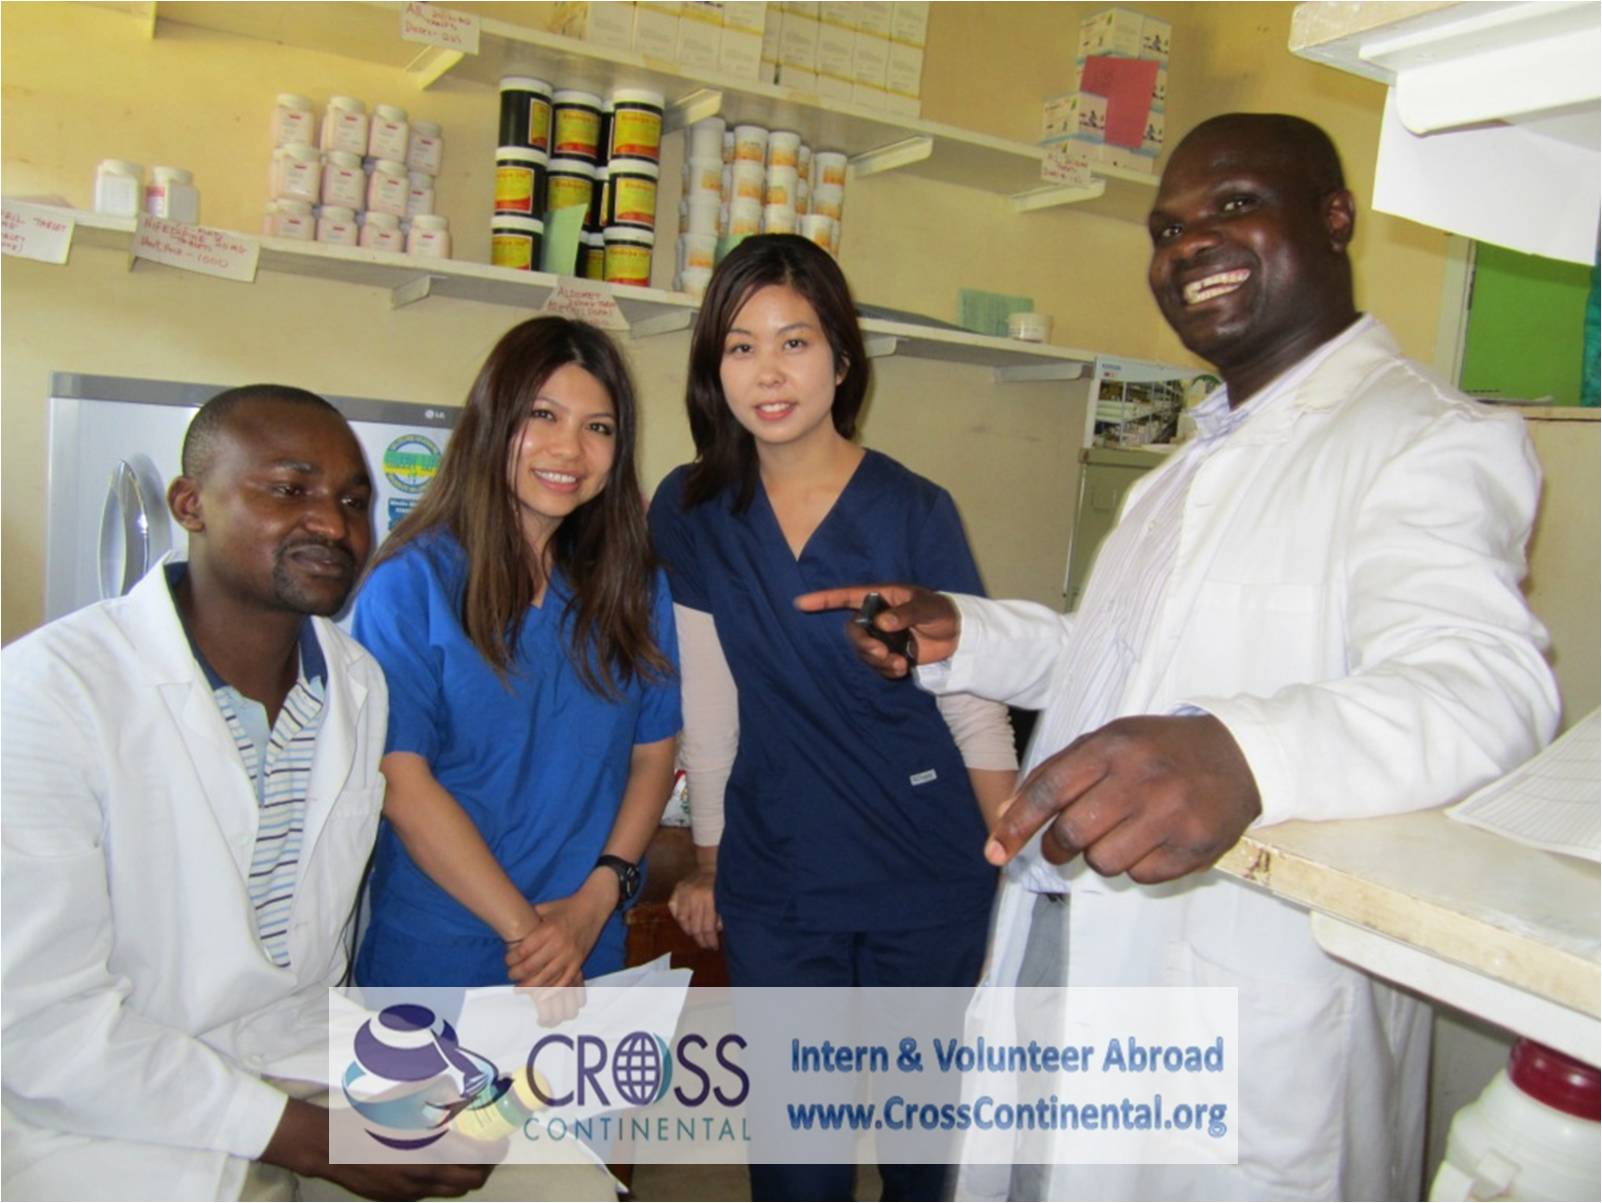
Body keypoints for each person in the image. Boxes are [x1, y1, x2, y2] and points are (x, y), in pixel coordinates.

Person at [798, 114, 1561, 1200]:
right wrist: (967, 633)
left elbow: (1486, 688)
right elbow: (1116, 665)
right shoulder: (1183, 468)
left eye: (1235, 205)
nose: (1190, 243)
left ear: (1335, 218)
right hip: (1065, 930)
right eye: (1166, 228)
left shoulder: (1424, 435)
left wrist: (1240, 752)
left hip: (1236, 984)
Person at [1, 385, 492, 1200]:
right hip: (103, 1112)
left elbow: (305, 973)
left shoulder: (355, 684)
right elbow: (37, 1027)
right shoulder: (45, 694)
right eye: (289, 489)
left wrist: (424, 1087)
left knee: (522, 1154)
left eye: (353, 501)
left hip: (294, 1053)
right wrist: (315, 1139)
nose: (332, 524)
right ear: (189, 504)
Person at [647, 234, 1018, 1201]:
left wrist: (1017, 859)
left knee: (922, 1157)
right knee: (796, 1162)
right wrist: (712, 857)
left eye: (795, 342)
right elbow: (711, 695)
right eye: (740, 346)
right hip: (781, 875)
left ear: (842, 359)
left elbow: (974, 704)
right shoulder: (690, 507)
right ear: (713, 367)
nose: (768, 372)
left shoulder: (913, 508)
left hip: (925, 871)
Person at [351, 315, 680, 992]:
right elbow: (402, 783)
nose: (570, 449)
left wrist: (596, 900)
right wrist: (531, 936)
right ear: (493, 421)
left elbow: (653, 755)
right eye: (543, 415)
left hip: (588, 941)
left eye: (598, 427)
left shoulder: (634, 587)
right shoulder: (411, 583)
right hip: (442, 952)